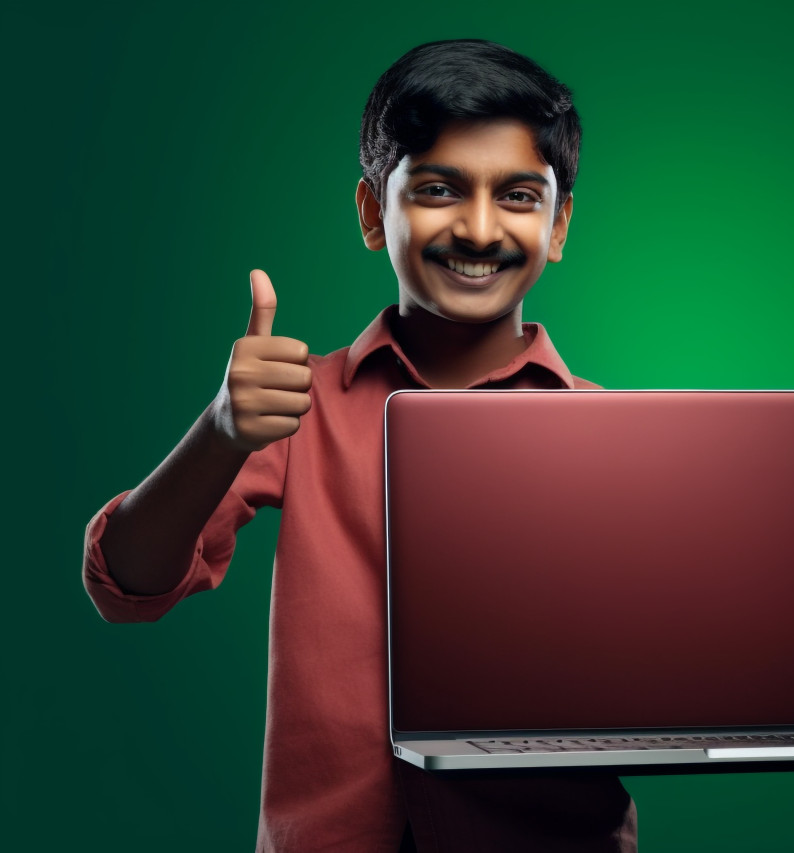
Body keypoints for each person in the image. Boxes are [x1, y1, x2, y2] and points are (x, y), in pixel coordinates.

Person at [83, 40, 636, 852]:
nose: (480, 228)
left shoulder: (617, 439)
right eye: (439, 189)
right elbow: (124, 584)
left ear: (558, 226)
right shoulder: (295, 404)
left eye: (518, 196)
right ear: (375, 212)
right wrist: (220, 430)